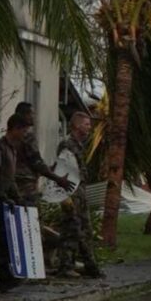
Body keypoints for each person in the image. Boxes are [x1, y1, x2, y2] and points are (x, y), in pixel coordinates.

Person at [0, 114, 32, 291]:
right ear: (16, 128)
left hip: (4, 201)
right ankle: (0, 276)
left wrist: (18, 199)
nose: (25, 134)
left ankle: (0, 276)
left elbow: (10, 180)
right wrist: (3, 198)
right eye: (24, 130)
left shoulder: (12, 149)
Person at [56, 112, 102, 278]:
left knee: (85, 230)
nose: (89, 128)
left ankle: (90, 266)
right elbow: (61, 171)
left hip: (80, 193)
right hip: (71, 193)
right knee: (71, 229)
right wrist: (65, 196)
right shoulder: (67, 145)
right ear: (76, 125)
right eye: (86, 124)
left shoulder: (80, 145)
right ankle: (65, 266)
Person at [14, 102, 74, 204]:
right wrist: (58, 179)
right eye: (32, 113)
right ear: (25, 115)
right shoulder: (27, 136)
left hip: (14, 186)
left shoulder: (12, 134)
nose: (34, 116)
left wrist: (49, 169)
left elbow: (28, 163)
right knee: (29, 218)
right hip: (26, 188)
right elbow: (37, 163)